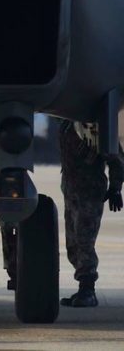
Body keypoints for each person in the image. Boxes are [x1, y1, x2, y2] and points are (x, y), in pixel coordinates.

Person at [59, 119, 123, 307]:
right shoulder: (66, 125)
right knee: (73, 244)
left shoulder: (91, 126)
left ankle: (88, 291)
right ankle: (83, 287)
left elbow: (116, 158)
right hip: (71, 190)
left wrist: (116, 188)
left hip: (89, 191)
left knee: (84, 241)